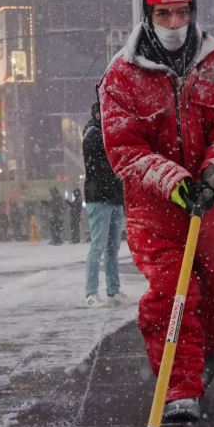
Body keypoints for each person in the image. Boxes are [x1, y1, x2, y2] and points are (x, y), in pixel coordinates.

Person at [100, 0, 214, 423]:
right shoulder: (121, 76)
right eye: (163, 14)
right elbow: (123, 146)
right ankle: (179, 385)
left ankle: (201, 349)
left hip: (212, 202)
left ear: (193, 11)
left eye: (181, 13)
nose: (173, 23)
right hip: (155, 208)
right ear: (148, 15)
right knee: (174, 292)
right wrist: (172, 182)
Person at [83, 101, 126, 307]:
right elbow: (108, 152)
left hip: (115, 197)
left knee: (112, 247)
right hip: (99, 197)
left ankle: (113, 290)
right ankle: (91, 293)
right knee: (98, 246)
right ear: (96, 114)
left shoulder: (109, 133)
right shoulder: (92, 134)